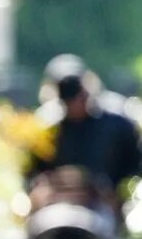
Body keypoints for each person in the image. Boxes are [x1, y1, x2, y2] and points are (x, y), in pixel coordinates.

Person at [26, 62, 139, 195]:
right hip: (59, 197)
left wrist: (115, 191)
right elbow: (35, 173)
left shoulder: (116, 121)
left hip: (107, 199)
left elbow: (134, 164)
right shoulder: (48, 127)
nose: (76, 105)